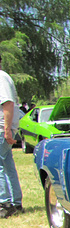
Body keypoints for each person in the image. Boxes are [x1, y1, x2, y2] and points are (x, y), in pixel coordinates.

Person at [0, 54, 23, 219]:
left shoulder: (1, 78)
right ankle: (15, 202)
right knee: (7, 165)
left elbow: (8, 103)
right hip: (4, 128)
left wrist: (7, 130)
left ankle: (4, 204)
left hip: (1, 128)